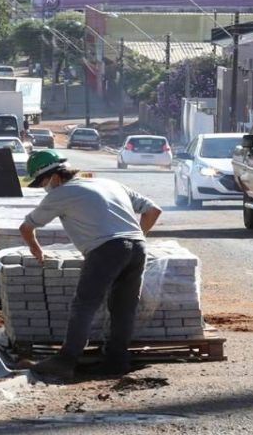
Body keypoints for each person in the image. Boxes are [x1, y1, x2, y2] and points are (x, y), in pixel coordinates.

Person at [18, 149, 163, 379]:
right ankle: (116, 362)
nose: (44, 187)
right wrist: (133, 239)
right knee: (123, 307)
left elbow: (26, 227)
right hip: (137, 248)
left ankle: (66, 360)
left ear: (55, 177)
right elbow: (153, 210)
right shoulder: (109, 183)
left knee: (84, 305)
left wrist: (35, 248)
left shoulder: (60, 193)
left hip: (106, 250)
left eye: (43, 182)